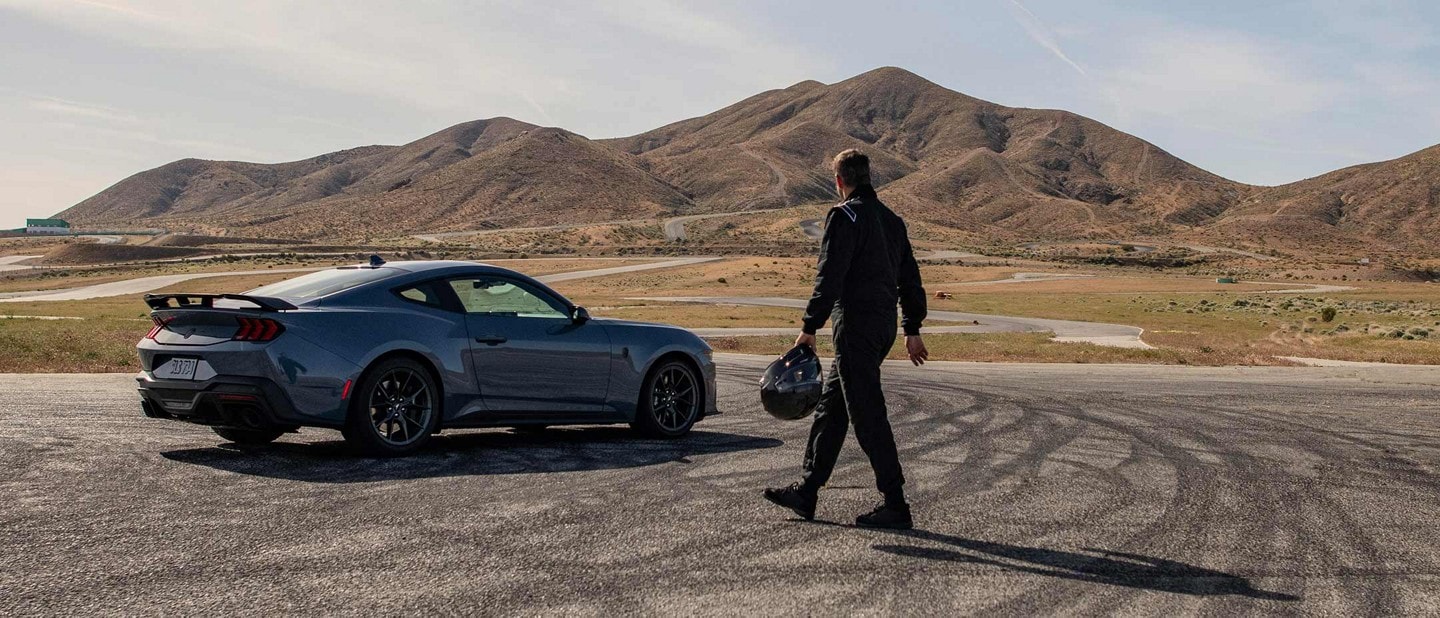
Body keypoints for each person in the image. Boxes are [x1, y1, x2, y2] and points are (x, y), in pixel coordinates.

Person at [763, 148, 928, 530]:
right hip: (883, 325)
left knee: (867, 413)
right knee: (832, 408)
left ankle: (895, 503)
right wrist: (912, 328)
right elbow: (911, 278)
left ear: (840, 181)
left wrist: (809, 327)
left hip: (855, 324)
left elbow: (830, 276)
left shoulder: (844, 216)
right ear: (868, 177)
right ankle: (807, 489)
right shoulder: (892, 221)